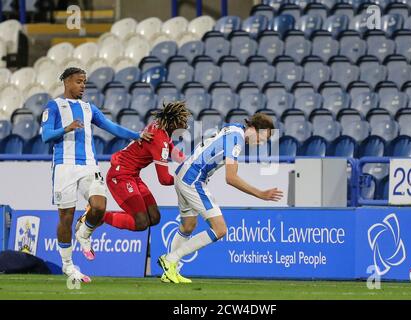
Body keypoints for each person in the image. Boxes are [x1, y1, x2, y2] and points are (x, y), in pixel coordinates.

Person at [41, 67, 152, 283]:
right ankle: (68, 265)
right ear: (67, 82)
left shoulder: (89, 108)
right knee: (66, 217)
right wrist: (67, 128)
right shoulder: (54, 106)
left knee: (99, 206)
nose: (83, 86)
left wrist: (136, 135)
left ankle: (84, 233)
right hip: (64, 166)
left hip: (89, 165)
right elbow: (46, 136)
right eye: (79, 82)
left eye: (84, 82)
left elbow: (111, 126)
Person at [158, 113, 284, 283]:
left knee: (188, 226)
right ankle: (171, 259)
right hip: (193, 179)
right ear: (254, 129)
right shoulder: (236, 139)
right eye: (263, 137)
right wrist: (260, 194)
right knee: (220, 229)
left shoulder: (235, 129)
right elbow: (231, 178)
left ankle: (169, 272)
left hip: (183, 173)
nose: (262, 142)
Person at [100, 101, 190, 231]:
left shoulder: (161, 127)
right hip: (120, 176)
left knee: (154, 217)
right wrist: (185, 179)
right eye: (182, 122)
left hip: (132, 175)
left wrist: (192, 162)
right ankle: (98, 216)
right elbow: (164, 179)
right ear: (172, 124)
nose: (185, 125)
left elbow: (173, 151)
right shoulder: (159, 140)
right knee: (141, 223)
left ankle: (103, 216)